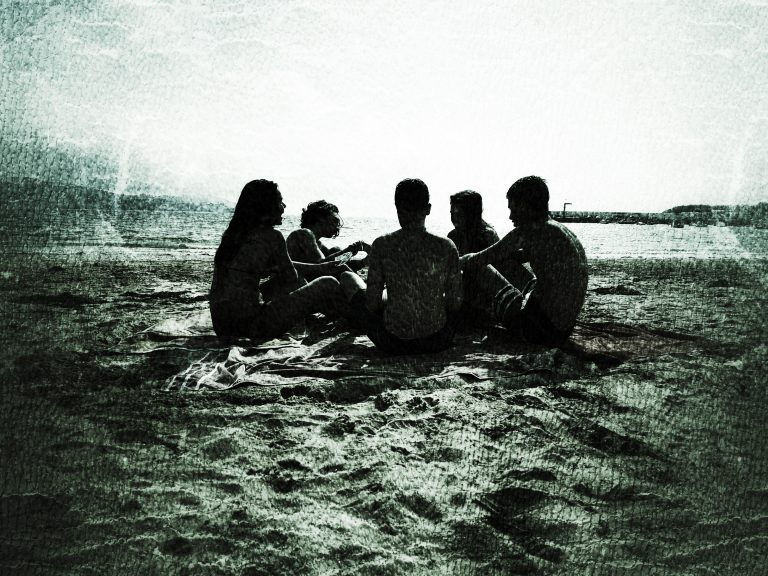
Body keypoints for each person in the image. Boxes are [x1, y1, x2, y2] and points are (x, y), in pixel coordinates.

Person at [209, 180, 348, 340]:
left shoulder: (233, 236)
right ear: (267, 207)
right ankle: (357, 318)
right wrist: (319, 268)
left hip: (222, 327)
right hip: (251, 326)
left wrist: (283, 267)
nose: (284, 206)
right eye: (280, 202)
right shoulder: (273, 237)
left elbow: (257, 269)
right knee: (328, 283)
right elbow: (291, 277)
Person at [460, 176, 588, 346]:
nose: (510, 216)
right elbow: (520, 257)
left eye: (513, 209)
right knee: (504, 260)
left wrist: (449, 260)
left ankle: (465, 312)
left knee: (479, 267)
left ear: (524, 206)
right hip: (562, 328)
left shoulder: (529, 230)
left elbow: (477, 260)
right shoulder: (556, 229)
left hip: (539, 330)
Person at [341, 178, 463, 354]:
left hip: (392, 343)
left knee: (348, 279)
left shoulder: (382, 245)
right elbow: (454, 304)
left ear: (397, 209)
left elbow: (372, 305)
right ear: (428, 209)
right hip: (437, 341)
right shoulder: (446, 246)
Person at [286, 200, 370, 279]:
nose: (337, 226)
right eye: (334, 221)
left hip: (310, 280)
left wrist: (363, 262)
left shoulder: (318, 244)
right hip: (295, 283)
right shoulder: (303, 234)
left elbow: (335, 263)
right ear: (320, 218)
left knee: (335, 250)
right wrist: (351, 249)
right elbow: (323, 266)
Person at [447, 190, 499, 255]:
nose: (455, 218)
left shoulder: (487, 237)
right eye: (452, 213)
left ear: (472, 214)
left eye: (460, 214)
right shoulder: (452, 236)